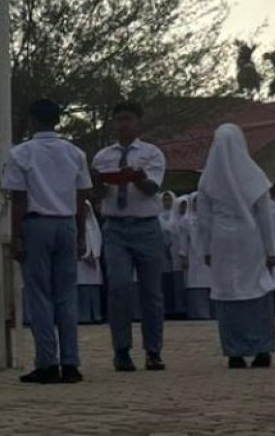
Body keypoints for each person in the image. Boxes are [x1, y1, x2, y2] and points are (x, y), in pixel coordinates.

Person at [7, 98, 93, 385]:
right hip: (67, 222)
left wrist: (15, 235)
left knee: (40, 295)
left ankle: (47, 361)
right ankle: (71, 362)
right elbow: (81, 197)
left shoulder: (21, 153)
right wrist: (81, 233)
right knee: (67, 295)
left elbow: (18, 198)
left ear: (32, 120)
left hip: (37, 223)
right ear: (57, 120)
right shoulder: (75, 152)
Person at [90, 101, 169, 373]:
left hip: (146, 225)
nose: (123, 124)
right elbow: (97, 195)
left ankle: (153, 351)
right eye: (119, 119)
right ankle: (121, 350)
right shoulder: (102, 156)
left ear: (138, 123)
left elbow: (151, 189)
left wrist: (135, 177)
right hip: (116, 226)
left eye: (128, 119)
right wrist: (98, 183)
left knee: (151, 292)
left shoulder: (152, 153)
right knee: (119, 287)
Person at [195, 124, 275, 370]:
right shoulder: (255, 176)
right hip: (250, 239)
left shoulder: (207, 178)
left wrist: (206, 250)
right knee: (257, 290)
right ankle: (262, 348)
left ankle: (235, 352)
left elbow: (204, 221)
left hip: (221, 240)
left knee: (227, 292)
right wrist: (271, 250)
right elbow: (265, 217)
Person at [179, 195, 213, 319]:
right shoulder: (186, 220)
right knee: (196, 284)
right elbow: (183, 241)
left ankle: (212, 313)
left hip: (210, 257)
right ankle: (199, 314)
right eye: (195, 202)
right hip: (193, 257)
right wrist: (183, 256)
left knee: (211, 283)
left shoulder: (211, 218)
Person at [159, 191, 186, 320]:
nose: (167, 202)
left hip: (176, 253)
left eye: (169, 199)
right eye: (164, 199)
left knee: (179, 282)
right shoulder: (157, 217)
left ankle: (180, 309)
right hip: (162, 254)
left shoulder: (178, 216)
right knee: (165, 282)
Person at [77, 201, 105, 324]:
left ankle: (96, 315)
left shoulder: (94, 225)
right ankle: (83, 316)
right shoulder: (77, 224)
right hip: (81, 262)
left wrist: (95, 256)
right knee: (82, 287)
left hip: (94, 261)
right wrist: (85, 256)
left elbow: (98, 241)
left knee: (93, 288)